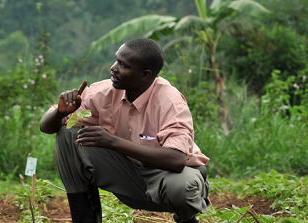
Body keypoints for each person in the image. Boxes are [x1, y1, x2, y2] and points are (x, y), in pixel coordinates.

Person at [39, 38, 210, 223]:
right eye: (116, 60)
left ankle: (187, 218)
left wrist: (112, 141)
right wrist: (59, 112)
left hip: (170, 177)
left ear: (145, 75)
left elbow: (177, 160)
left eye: (123, 65)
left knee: (181, 188)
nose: (113, 68)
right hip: (130, 173)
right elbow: (46, 126)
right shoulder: (104, 92)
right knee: (68, 134)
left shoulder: (169, 101)